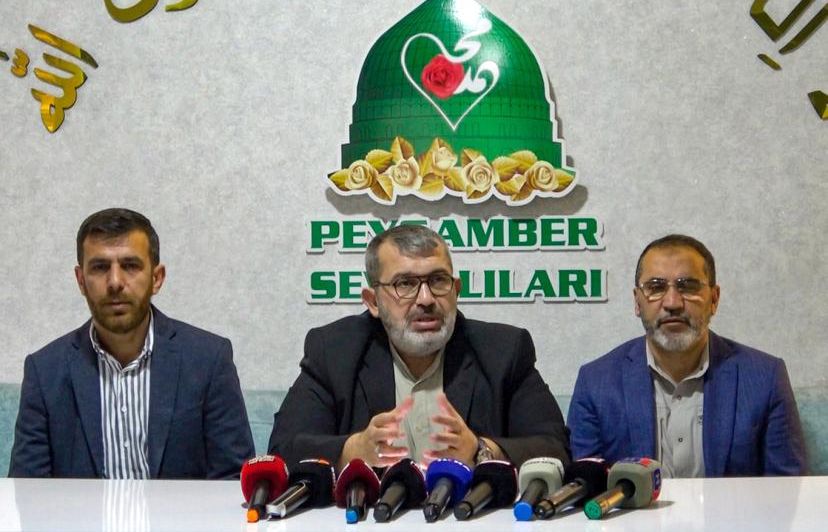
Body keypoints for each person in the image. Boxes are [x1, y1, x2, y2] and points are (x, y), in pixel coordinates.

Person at [269, 224, 569, 471]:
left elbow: (556, 448)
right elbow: (283, 451)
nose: (426, 299)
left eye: (438, 280)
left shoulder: (503, 351)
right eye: (405, 284)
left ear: (456, 290)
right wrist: (353, 450)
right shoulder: (334, 351)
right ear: (373, 302)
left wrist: (480, 450)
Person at [9, 208, 254, 479]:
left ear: (156, 278)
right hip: (79, 511)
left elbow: (233, 480)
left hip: (181, 511)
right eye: (100, 267)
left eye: (130, 266)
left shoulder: (208, 360)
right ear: (81, 281)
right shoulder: (45, 372)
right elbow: (29, 489)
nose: (115, 282)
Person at [567, 234, 807, 477]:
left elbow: (787, 486)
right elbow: (584, 487)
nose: (673, 303)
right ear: (637, 302)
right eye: (656, 287)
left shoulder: (765, 378)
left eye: (688, 286)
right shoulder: (595, 382)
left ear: (714, 299)